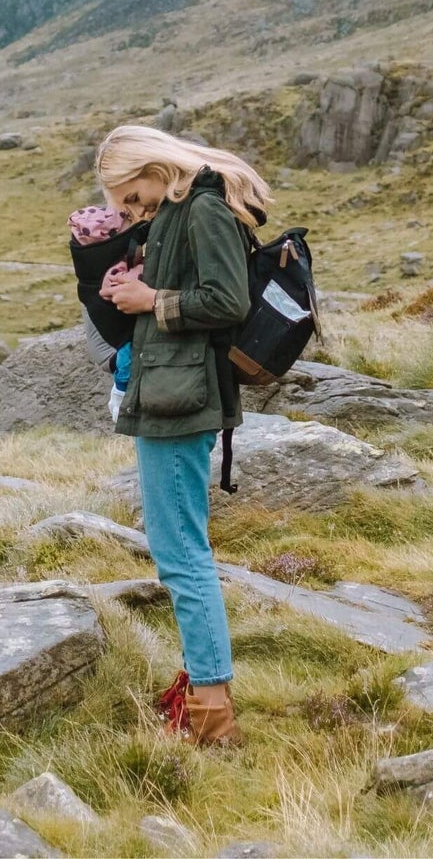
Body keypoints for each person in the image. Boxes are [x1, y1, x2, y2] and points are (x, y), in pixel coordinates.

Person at [94, 123, 269, 747]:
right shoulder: (174, 211)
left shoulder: (203, 207)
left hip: (182, 399)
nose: (131, 209)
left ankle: (211, 716)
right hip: (166, 390)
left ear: (152, 166)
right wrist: (129, 282)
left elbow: (227, 303)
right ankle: (205, 695)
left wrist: (152, 301)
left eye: (131, 194)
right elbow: (182, 287)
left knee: (182, 556)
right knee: (178, 551)